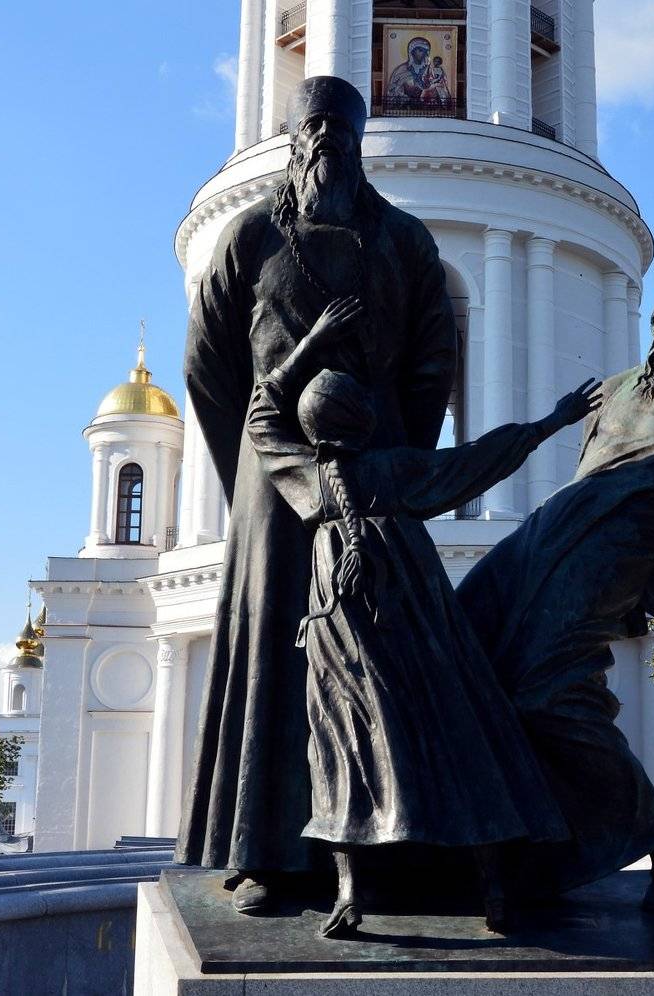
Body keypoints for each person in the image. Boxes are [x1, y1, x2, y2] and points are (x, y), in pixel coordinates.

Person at [177, 76, 459, 914]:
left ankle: (396, 848)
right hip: (274, 473)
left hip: (372, 467)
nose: (326, 146)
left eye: (341, 133)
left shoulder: (402, 240)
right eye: (314, 133)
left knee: (385, 645)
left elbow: (433, 361)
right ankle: (264, 852)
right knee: (274, 646)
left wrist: (401, 456)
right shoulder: (252, 235)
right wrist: (251, 463)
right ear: (294, 144)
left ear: (359, 147)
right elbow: (207, 363)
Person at [246, 296, 599, 937]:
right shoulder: (399, 470)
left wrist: (310, 343)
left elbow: (261, 413)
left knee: (342, 747)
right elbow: (482, 458)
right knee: (460, 734)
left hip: (340, 625)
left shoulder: (307, 479)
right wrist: (555, 420)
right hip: (417, 616)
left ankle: (349, 896)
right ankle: (494, 890)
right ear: (365, 418)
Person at [457, 262, 654, 913]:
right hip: (548, 535)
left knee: (543, 696)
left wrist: (653, 589)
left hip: (620, 558)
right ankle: (510, 849)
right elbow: (587, 470)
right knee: (460, 646)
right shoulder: (618, 388)